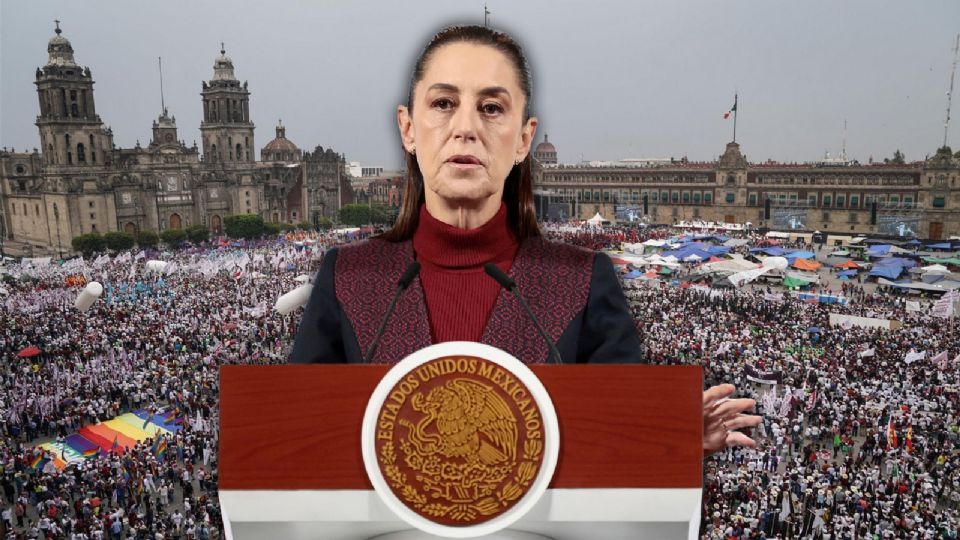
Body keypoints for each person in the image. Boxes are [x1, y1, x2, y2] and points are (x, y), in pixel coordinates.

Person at [289, 24, 759, 454]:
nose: (466, 129)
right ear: (408, 129)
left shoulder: (584, 283)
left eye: (492, 108)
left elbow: (614, 440)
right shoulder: (348, 277)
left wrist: (668, 440)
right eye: (443, 104)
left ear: (522, 139)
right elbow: (296, 436)